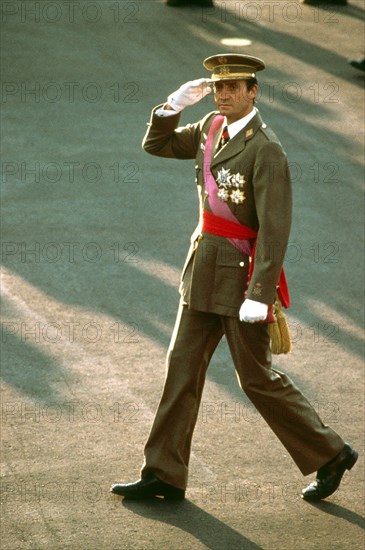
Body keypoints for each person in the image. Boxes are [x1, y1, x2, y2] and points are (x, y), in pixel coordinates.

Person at [111, 54, 357, 502]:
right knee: (180, 369)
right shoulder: (209, 127)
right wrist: (170, 108)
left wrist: (261, 293)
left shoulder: (266, 149)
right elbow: (158, 146)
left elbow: (275, 227)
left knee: (256, 378)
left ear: (253, 92)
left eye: (233, 88)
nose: (223, 95)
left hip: (242, 279)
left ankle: (331, 453)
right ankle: (163, 472)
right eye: (217, 87)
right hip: (202, 268)